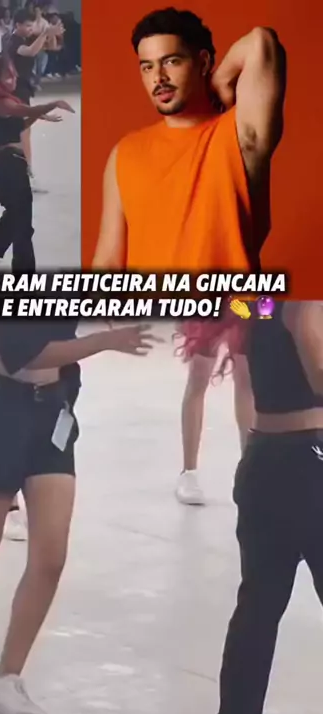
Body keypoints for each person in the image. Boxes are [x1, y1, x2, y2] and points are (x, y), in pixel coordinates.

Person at [93, 9, 285, 504]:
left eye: (171, 61)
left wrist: (220, 82)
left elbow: (262, 41)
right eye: (146, 66)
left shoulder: (237, 135)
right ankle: (190, 470)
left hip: (243, 298)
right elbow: (106, 262)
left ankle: (253, 469)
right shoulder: (126, 153)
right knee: (201, 375)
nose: (157, 77)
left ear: (201, 61)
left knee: (251, 370)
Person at [0, 318, 157, 714]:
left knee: (50, 558)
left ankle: (8, 678)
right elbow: (27, 354)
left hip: (52, 412)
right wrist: (106, 340)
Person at [204, 296, 323, 714]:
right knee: (260, 601)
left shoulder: (260, 302)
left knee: (259, 601)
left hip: (263, 459)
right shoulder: (302, 302)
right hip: (307, 462)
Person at [0, 53, 74, 274]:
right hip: (7, 167)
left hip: (4, 166)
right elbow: (24, 110)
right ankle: (18, 275)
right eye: (8, 76)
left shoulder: (2, 101)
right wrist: (51, 104)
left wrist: (38, 115)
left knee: (18, 218)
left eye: (14, 75)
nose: (14, 79)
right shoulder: (2, 102)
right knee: (22, 224)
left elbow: (21, 124)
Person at [8, 7, 64, 193]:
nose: (31, 29)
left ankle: (23, 173)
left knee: (22, 133)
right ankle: (25, 175)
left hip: (22, 89)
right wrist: (46, 32)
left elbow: (52, 48)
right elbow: (30, 52)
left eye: (32, 26)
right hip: (14, 90)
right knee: (22, 133)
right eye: (27, 26)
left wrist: (51, 34)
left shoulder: (27, 37)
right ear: (18, 25)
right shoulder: (13, 41)